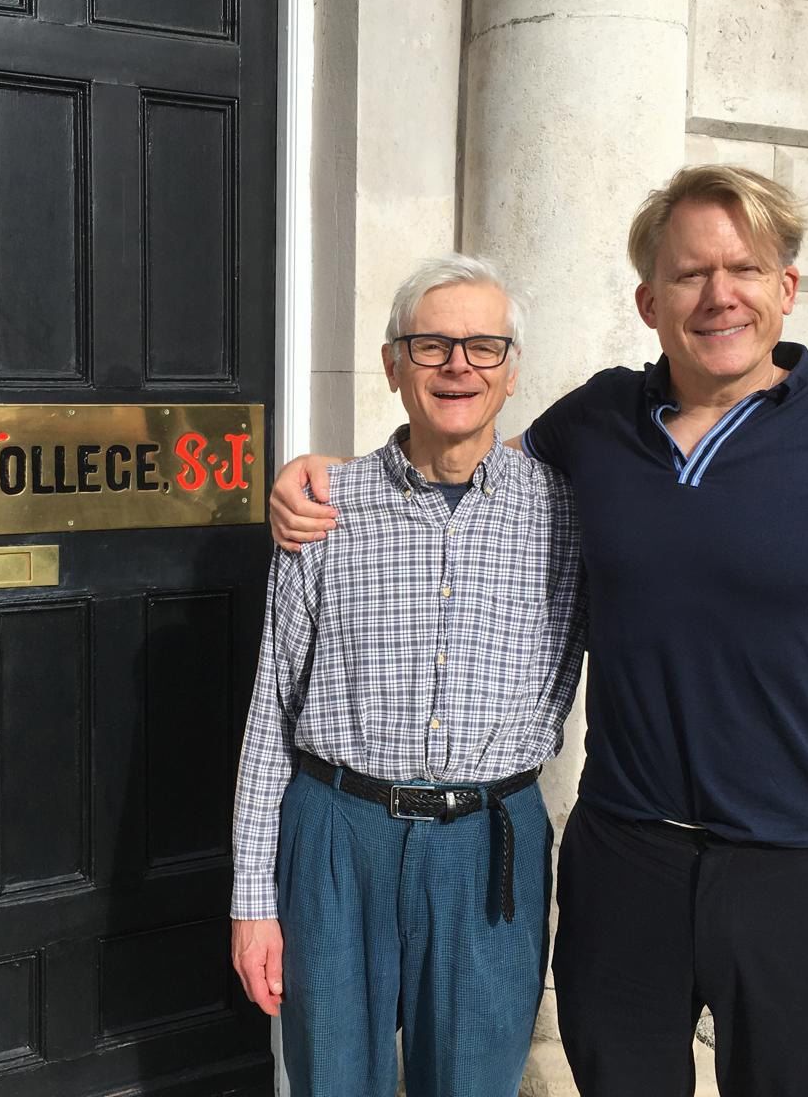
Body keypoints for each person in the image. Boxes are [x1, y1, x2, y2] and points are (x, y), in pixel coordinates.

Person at [268, 165, 808, 1096]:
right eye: (690, 274)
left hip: (797, 872)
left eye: (746, 269)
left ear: (787, 289)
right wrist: (329, 480)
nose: (719, 294)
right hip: (626, 861)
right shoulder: (600, 420)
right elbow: (464, 471)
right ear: (650, 301)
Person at [230, 255, 586, 1097]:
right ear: (393, 366)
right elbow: (270, 709)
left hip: (487, 842)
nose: (458, 365)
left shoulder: (569, 511)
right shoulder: (325, 505)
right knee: (329, 1081)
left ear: (511, 371)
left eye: (483, 346)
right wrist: (252, 900)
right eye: (430, 345)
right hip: (335, 835)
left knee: (471, 1083)